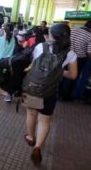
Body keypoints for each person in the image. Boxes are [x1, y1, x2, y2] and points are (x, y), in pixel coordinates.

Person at [24, 24, 77, 166]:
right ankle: (38, 147)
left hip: (33, 88)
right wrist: (59, 72)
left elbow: (33, 65)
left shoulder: (40, 47)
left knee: (31, 114)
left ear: (51, 34)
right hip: (50, 91)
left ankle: (30, 137)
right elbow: (73, 75)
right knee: (45, 120)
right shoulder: (70, 54)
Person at [68, 19, 91, 100]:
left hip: (67, 56)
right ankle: (71, 95)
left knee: (66, 75)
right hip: (79, 59)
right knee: (75, 76)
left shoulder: (72, 31)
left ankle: (62, 93)